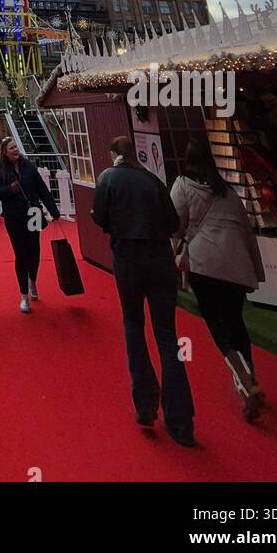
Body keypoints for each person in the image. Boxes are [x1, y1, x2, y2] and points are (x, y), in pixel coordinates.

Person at [91, 135, 196, 446]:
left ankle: (145, 403)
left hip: (128, 260)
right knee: (167, 335)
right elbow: (172, 221)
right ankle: (180, 419)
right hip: (160, 260)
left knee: (133, 325)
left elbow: (100, 217)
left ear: (114, 155)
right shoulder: (151, 179)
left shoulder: (108, 178)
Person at [171, 138, 266, 420]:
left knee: (216, 322)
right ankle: (251, 374)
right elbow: (245, 229)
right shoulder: (227, 191)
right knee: (235, 319)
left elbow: (175, 223)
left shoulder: (183, 185)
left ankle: (244, 379)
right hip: (235, 264)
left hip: (205, 264)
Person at [0, 137, 60, 312]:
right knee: (20, 253)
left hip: (33, 212)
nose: (15, 150)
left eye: (16, 147)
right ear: (5, 152)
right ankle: (23, 296)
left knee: (34, 250)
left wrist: (53, 210)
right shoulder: (0, 172)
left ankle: (32, 281)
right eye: (11, 148)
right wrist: (10, 189)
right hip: (13, 216)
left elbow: (42, 189)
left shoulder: (29, 167)